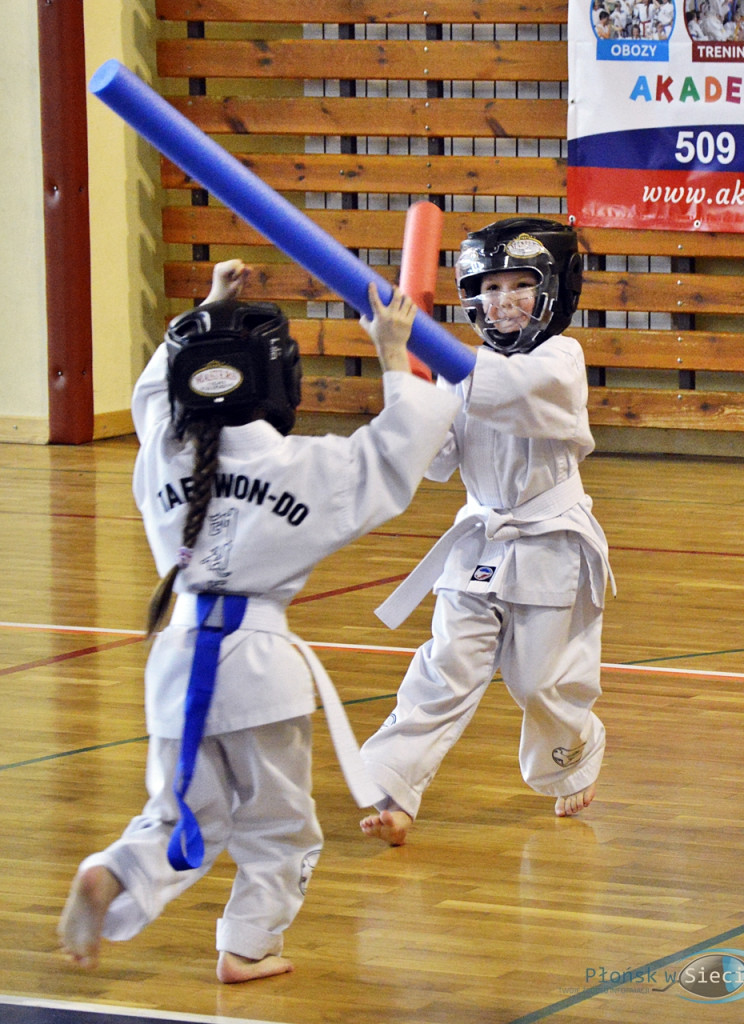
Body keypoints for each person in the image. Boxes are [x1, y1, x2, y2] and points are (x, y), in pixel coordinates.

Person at [58, 260, 461, 981]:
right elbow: (402, 446)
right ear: (280, 382)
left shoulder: (161, 455)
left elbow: (151, 395)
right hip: (259, 667)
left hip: (176, 656)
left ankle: (114, 871)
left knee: (182, 812)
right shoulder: (308, 468)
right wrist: (393, 351)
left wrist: (208, 310)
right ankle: (248, 946)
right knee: (280, 827)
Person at [359, 218, 614, 847]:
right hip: (479, 541)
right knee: (446, 664)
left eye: (519, 285)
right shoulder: (460, 369)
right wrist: (398, 362)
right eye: (489, 287)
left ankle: (575, 751)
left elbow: (513, 392)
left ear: (554, 290)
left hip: (550, 542)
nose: (502, 301)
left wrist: (425, 349)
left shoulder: (561, 359)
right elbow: (432, 454)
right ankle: (395, 787)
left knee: (538, 682)